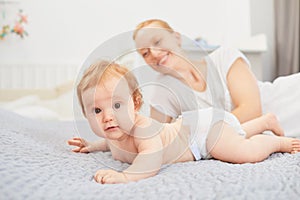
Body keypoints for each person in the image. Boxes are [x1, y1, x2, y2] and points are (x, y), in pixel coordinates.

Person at [68, 60, 300, 184]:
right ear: (85, 114)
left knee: (242, 151)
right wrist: (92, 145)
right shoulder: (116, 132)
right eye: (97, 110)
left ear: (136, 104)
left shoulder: (143, 130)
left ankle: (277, 143)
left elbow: (150, 161)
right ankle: (265, 121)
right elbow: (110, 143)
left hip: (201, 134)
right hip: (200, 128)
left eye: (117, 105)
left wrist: (126, 176)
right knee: (234, 133)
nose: (108, 117)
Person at [133, 19, 300, 137]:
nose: (154, 54)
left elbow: (252, 110)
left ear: (176, 37)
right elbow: (154, 138)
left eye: (157, 41)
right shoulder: (163, 92)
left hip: (290, 99)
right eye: (145, 53)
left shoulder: (223, 57)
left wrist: (204, 133)